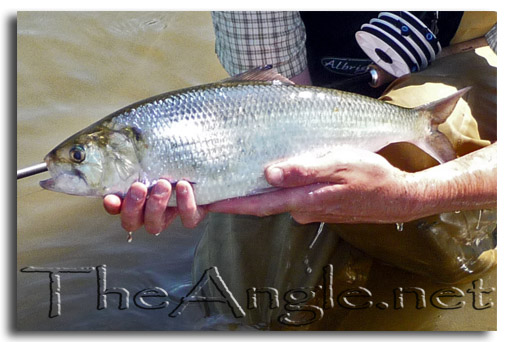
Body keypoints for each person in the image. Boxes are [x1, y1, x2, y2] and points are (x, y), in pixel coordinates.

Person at [103, 11, 497, 329]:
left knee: (414, 160)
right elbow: (272, 106)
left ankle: (472, 260)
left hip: (468, 60)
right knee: (246, 299)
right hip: (316, 104)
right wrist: (220, 176)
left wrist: (412, 197)